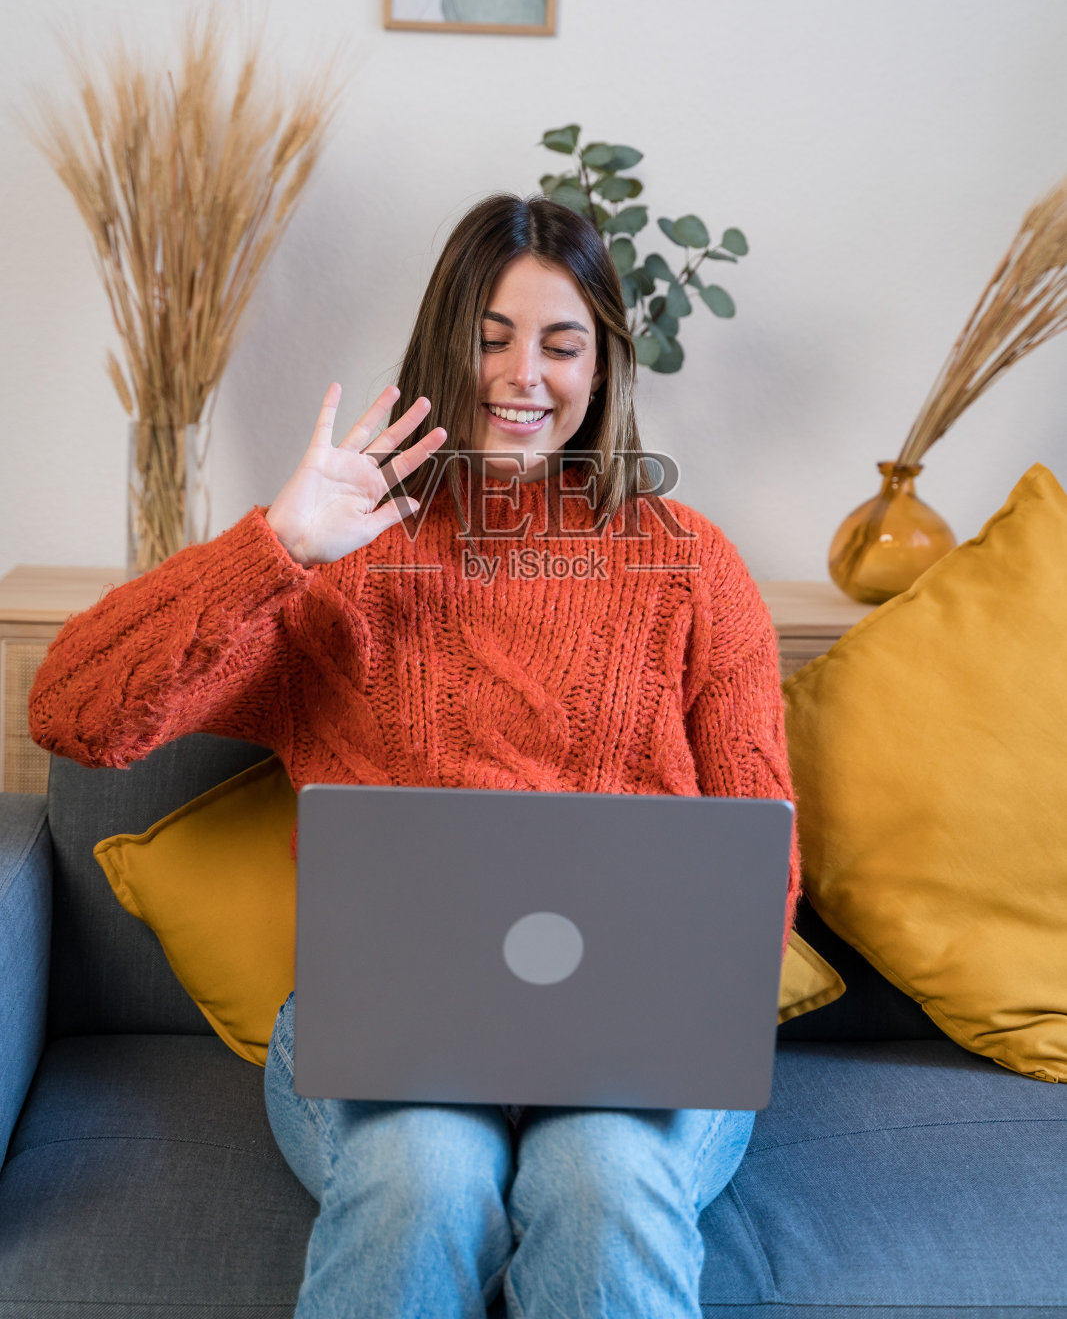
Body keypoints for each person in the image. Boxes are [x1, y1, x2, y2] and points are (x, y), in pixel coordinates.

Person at [29, 193, 800, 1319]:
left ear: (604, 365)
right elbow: (74, 710)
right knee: (422, 1175)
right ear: (445, 343)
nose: (521, 374)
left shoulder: (694, 569)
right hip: (381, 1027)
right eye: (490, 337)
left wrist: (657, 994)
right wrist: (279, 547)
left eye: (559, 341)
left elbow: (760, 866)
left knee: (605, 1178)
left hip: (640, 1041)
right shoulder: (345, 560)